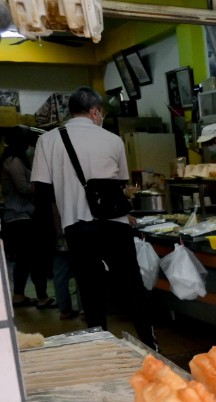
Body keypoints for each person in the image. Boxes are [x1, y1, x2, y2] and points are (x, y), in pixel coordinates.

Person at [31, 86, 157, 349]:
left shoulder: (48, 140)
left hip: (77, 226)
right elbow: (119, 183)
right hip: (116, 225)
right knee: (133, 287)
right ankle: (151, 345)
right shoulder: (112, 139)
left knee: (90, 291)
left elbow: (42, 190)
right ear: (95, 111)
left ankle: (99, 347)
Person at [1, 125, 55, 309]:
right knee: (35, 258)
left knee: (24, 259)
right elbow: (23, 188)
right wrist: (41, 184)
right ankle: (41, 297)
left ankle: (19, 296)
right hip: (20, 216)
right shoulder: (14, 161)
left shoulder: (15, 159)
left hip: (19, 216)